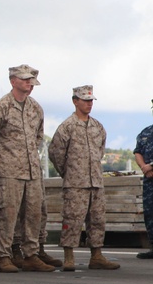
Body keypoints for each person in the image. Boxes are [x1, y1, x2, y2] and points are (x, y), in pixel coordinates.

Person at [0, 65, 49, 272]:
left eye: (31, 81)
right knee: (7, 214)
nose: (29, 84)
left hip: (32, 171)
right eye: (25, 80)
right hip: (9, 171)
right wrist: (2, 157)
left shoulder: (35, 108)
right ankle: (3, 255)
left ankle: (30, 254)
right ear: (13, 81)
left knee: (33, 213)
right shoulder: (0, 107)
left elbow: (38, 137)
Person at [48, 86, 117, 270]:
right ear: (75, 101)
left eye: (91, 100)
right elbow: (55, 152)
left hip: (95, 181)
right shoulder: (67, 126)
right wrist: (69, 172)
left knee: (97, 220)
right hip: (75, 183)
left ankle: (97, 255)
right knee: (72, 219)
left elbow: (100, 150)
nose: (89, 104)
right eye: (85, 100)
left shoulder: (97, 126)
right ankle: (69, 257)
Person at [136, 99, 153, 259]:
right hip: (149, 181)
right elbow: (138, 151)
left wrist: (150, 167)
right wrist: (143, 167)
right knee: (150, 212)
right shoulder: (146, 132)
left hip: (150, 172)